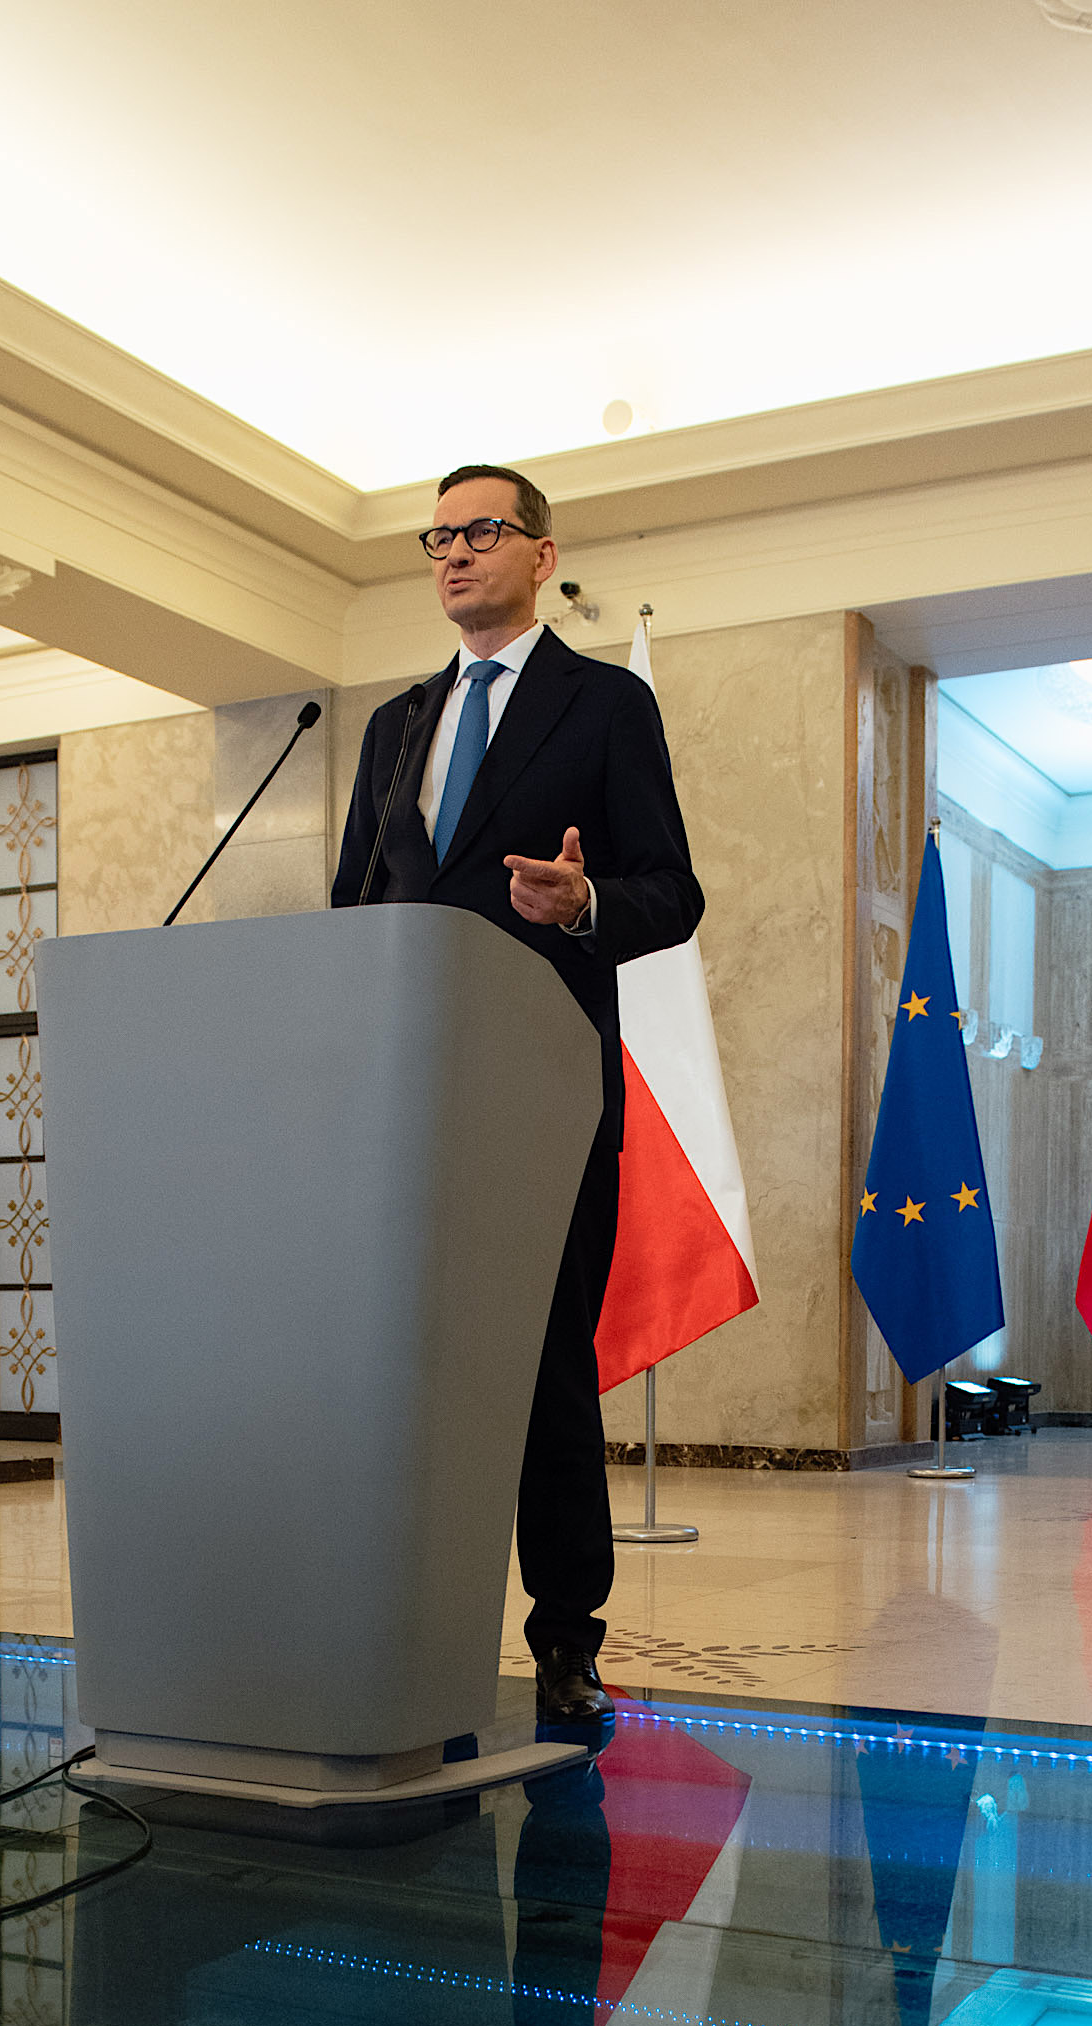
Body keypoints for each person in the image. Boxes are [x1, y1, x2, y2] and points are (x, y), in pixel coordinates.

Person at [331, 466, 704, 1728]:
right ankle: (399, 1624)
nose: (452, 553)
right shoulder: (395, 726)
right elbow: (354, 910)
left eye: (480, 531)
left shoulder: (603, 706)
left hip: (540, 1089)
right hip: (403, 1097)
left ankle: (564, 1640)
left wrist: (585, 902)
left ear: (541, 555)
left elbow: (671, 892)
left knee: (545, 1369)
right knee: (398, 1370)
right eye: (436, 536)